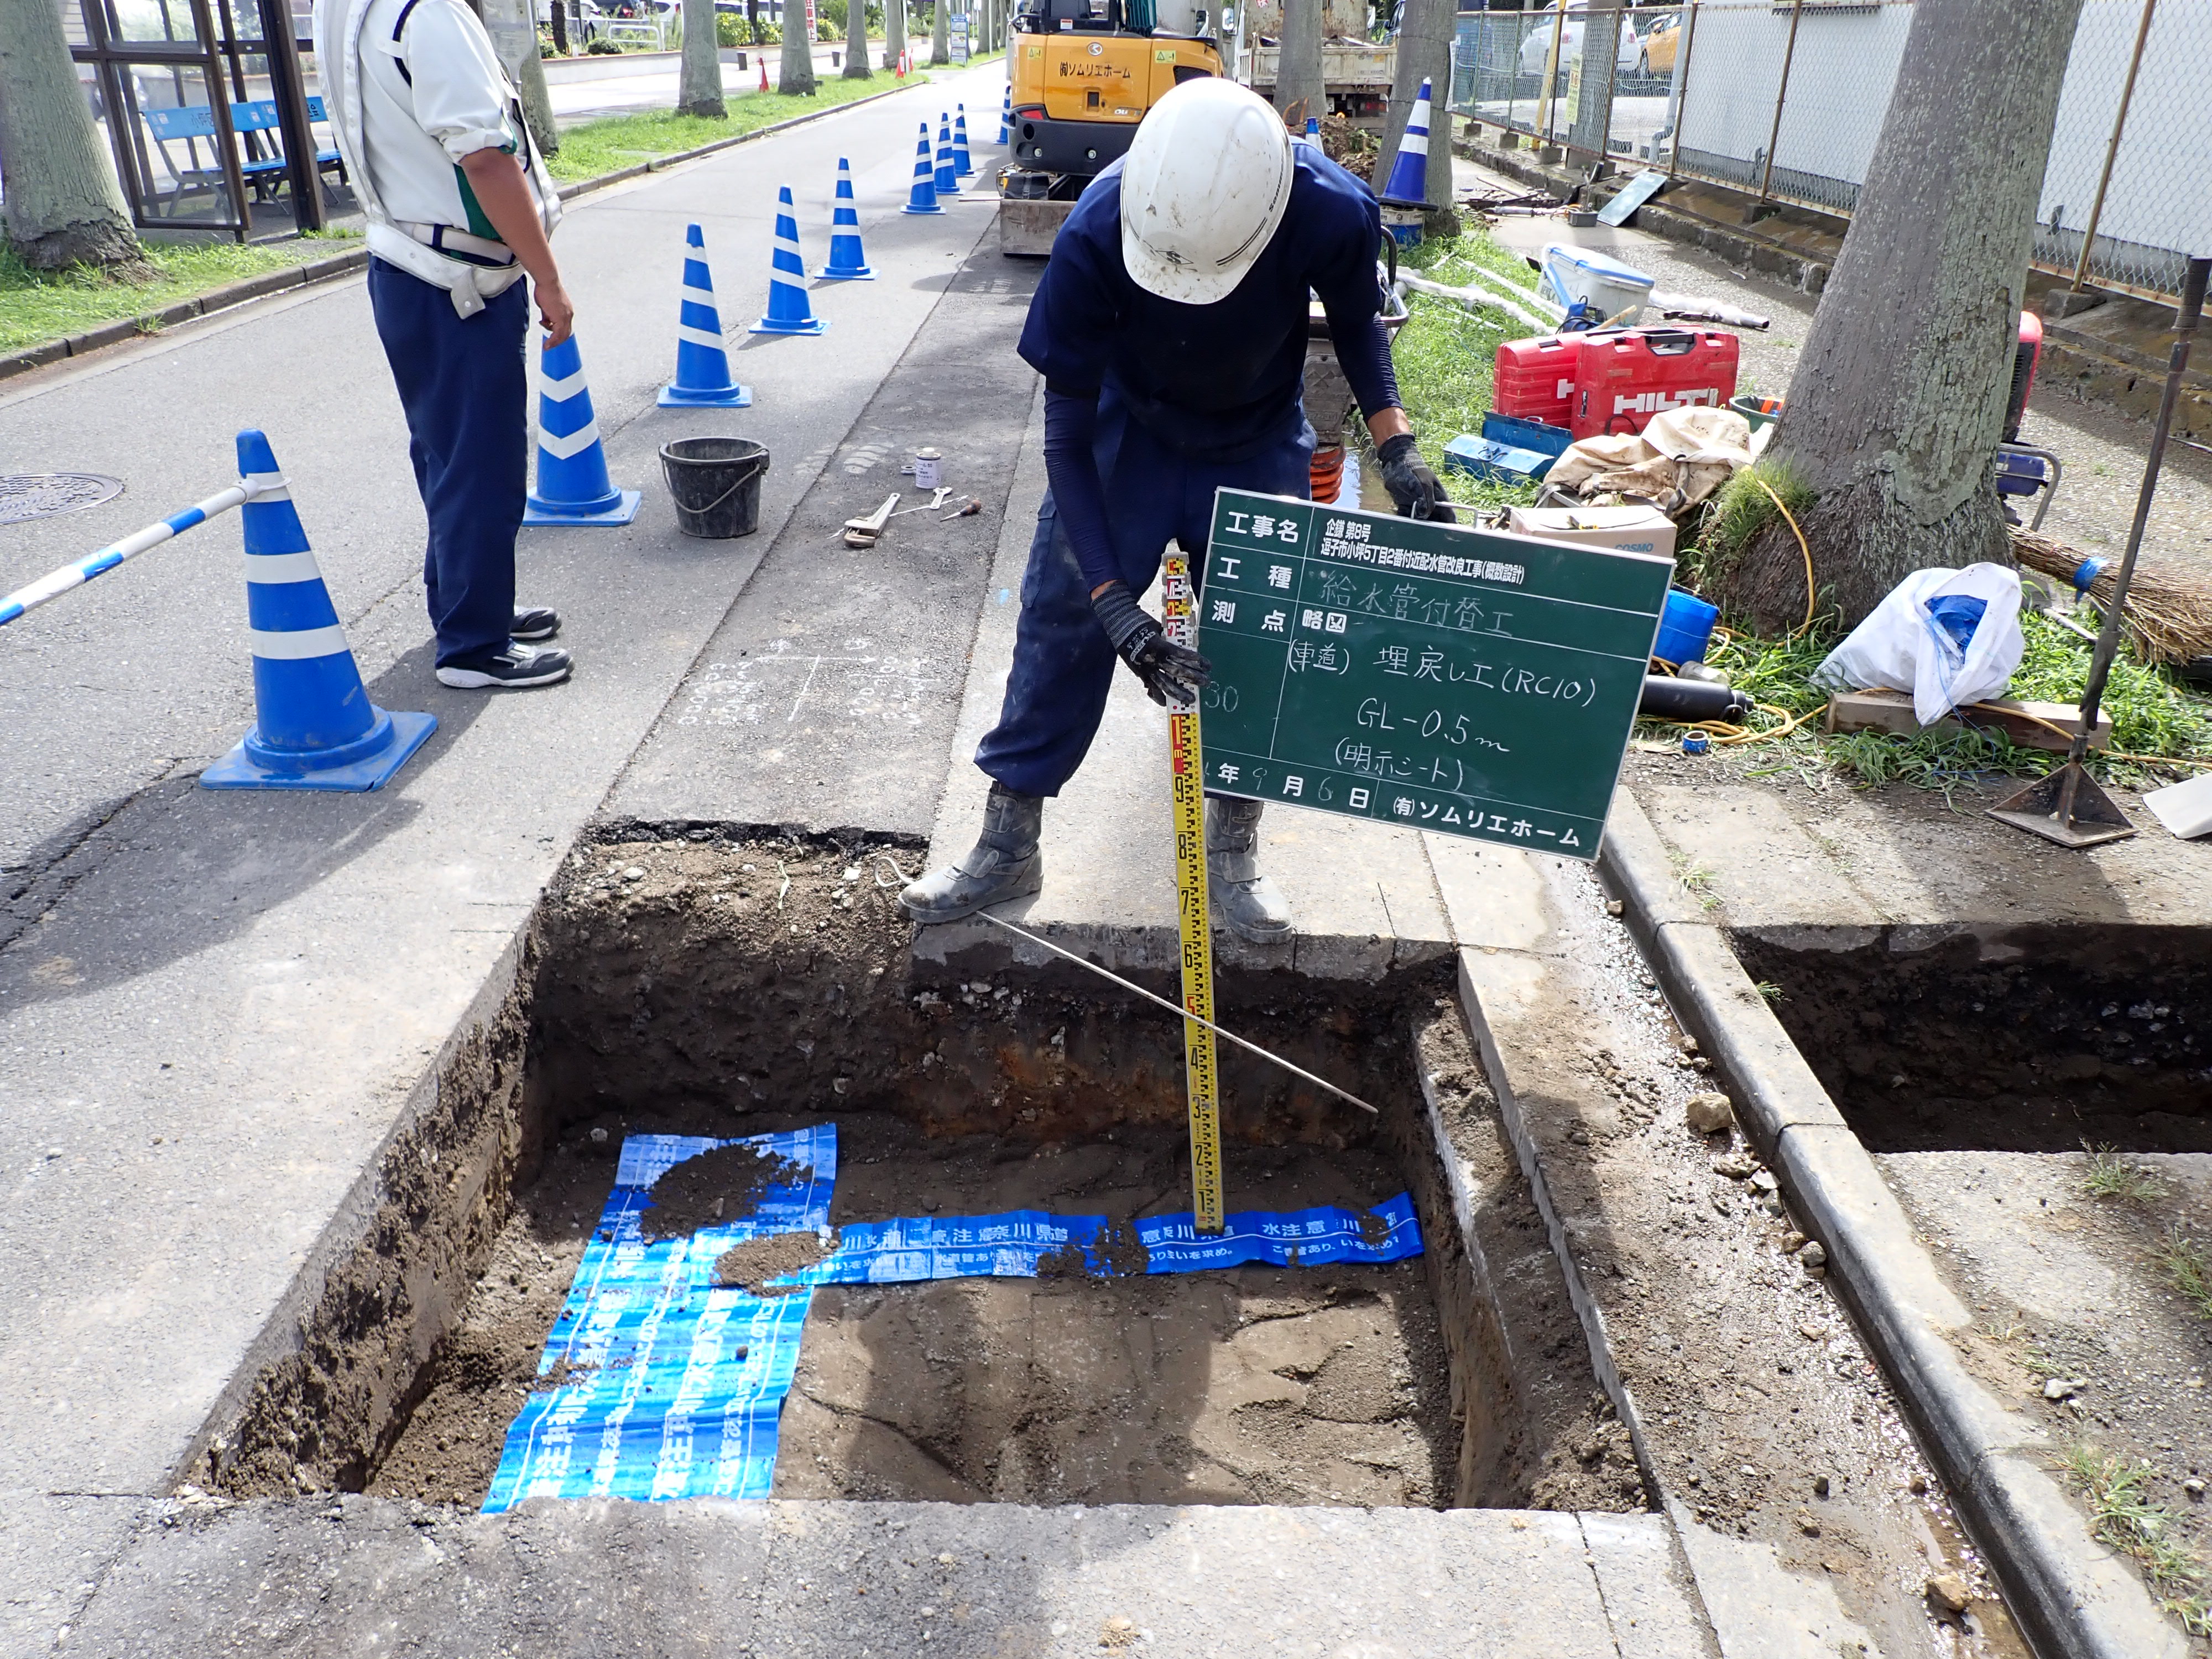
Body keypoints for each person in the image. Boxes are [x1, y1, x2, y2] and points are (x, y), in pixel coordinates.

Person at [901, 77, 1452, 942]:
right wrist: (1113, 604)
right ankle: (1008, 841)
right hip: (1131, 434)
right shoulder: (1097, 228)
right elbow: (1065, 441)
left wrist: (1397, 444)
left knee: (1259, 631)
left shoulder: (1328, 209)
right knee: (1061, 614)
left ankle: (1233, 846)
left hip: (1256, 436)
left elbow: (1355, 324)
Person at [314, 0, 576, 689]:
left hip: (407, 264)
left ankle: (469, 605)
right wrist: (548, 279)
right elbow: (485, 158)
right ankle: (473, 648)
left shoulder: (350, 10)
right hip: (458, 279)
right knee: (481, 462)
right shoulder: (430, 15)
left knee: (448, 456)